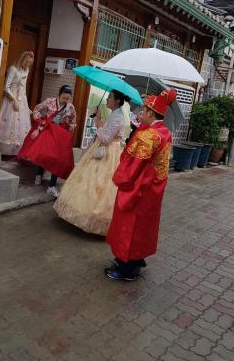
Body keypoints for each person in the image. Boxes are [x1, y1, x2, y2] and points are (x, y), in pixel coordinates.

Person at [105, 89, 177, 281]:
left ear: (151, 113)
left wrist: (122, 179)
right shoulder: (163, 132)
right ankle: (135, 261)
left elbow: (132, 165)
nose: (140, 114)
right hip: (153, 187)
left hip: (139, 186)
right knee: (143, 226)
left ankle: (126, 267)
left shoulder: (149, 135)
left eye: (144, 110)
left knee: (129, 225)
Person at [54, 90, 127, 236]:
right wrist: (99, 119)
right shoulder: (114, 114)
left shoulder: (118, 117)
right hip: (103, 149)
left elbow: (106, 138)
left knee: (101, 185)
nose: (107, 99)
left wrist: (98, 124)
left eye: (110, 98)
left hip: (108, 154)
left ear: (117, 101)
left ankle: (95, 219)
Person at [17, 85, 77, 198]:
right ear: (59, 95)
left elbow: (73, 121)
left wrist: (71, 127)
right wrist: (40, 120)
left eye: (68, 98)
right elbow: (37, 109)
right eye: (64, 97)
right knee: (44, 153)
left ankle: (52, 185)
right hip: (48, 130)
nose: (65, 100)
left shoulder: (70, 107)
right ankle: (39, 174)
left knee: (57, 159)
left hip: (60, 135)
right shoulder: (50, 101)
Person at [0, 51, 34, 156]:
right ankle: (4, 150)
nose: (27, 65)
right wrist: (13, 100)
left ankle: (16, 151)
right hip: (10, 99)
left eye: (29, 63)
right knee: (9, 123)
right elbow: (6, 87)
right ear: (22, 60)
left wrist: (26, 106)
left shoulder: (26, 70)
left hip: (22, 100)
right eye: (26, 63)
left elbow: (24, 87)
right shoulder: (13, 69)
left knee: (20, 126)